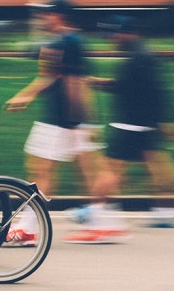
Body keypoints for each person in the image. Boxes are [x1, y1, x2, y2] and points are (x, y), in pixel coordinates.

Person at [64, 15, 174, 243]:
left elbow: (145, 91)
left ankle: (99, 221)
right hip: (143, 125)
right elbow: (138, 88)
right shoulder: (142, 54)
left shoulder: (138, 57)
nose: (111, 38)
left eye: (114, 34)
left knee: (109, 170)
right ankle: (163, 212)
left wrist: (98, 83)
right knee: (157, 167)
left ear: (128, 32)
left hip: (129, 125)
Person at [4, 0, 104, 245]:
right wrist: (25, 97)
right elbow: (54, 78)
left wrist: (78, 121)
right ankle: (100, 223)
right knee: (55, 170)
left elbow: (75, 81)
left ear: (59, 16)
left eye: (46, 14)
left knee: (50, 171)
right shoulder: (66, 41)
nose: (42, 18)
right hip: (66, 120)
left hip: (65, 121)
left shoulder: (68, 42)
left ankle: (30, 228)